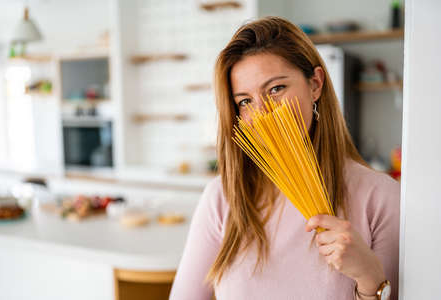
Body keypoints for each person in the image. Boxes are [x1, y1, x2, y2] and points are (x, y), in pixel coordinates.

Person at [169, 17, 400, 300]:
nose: (262, 112)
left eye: (276, 89)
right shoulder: (223, 197)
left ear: (315, 84)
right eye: (245, 101)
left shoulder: (381, 196)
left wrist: (369, 278)